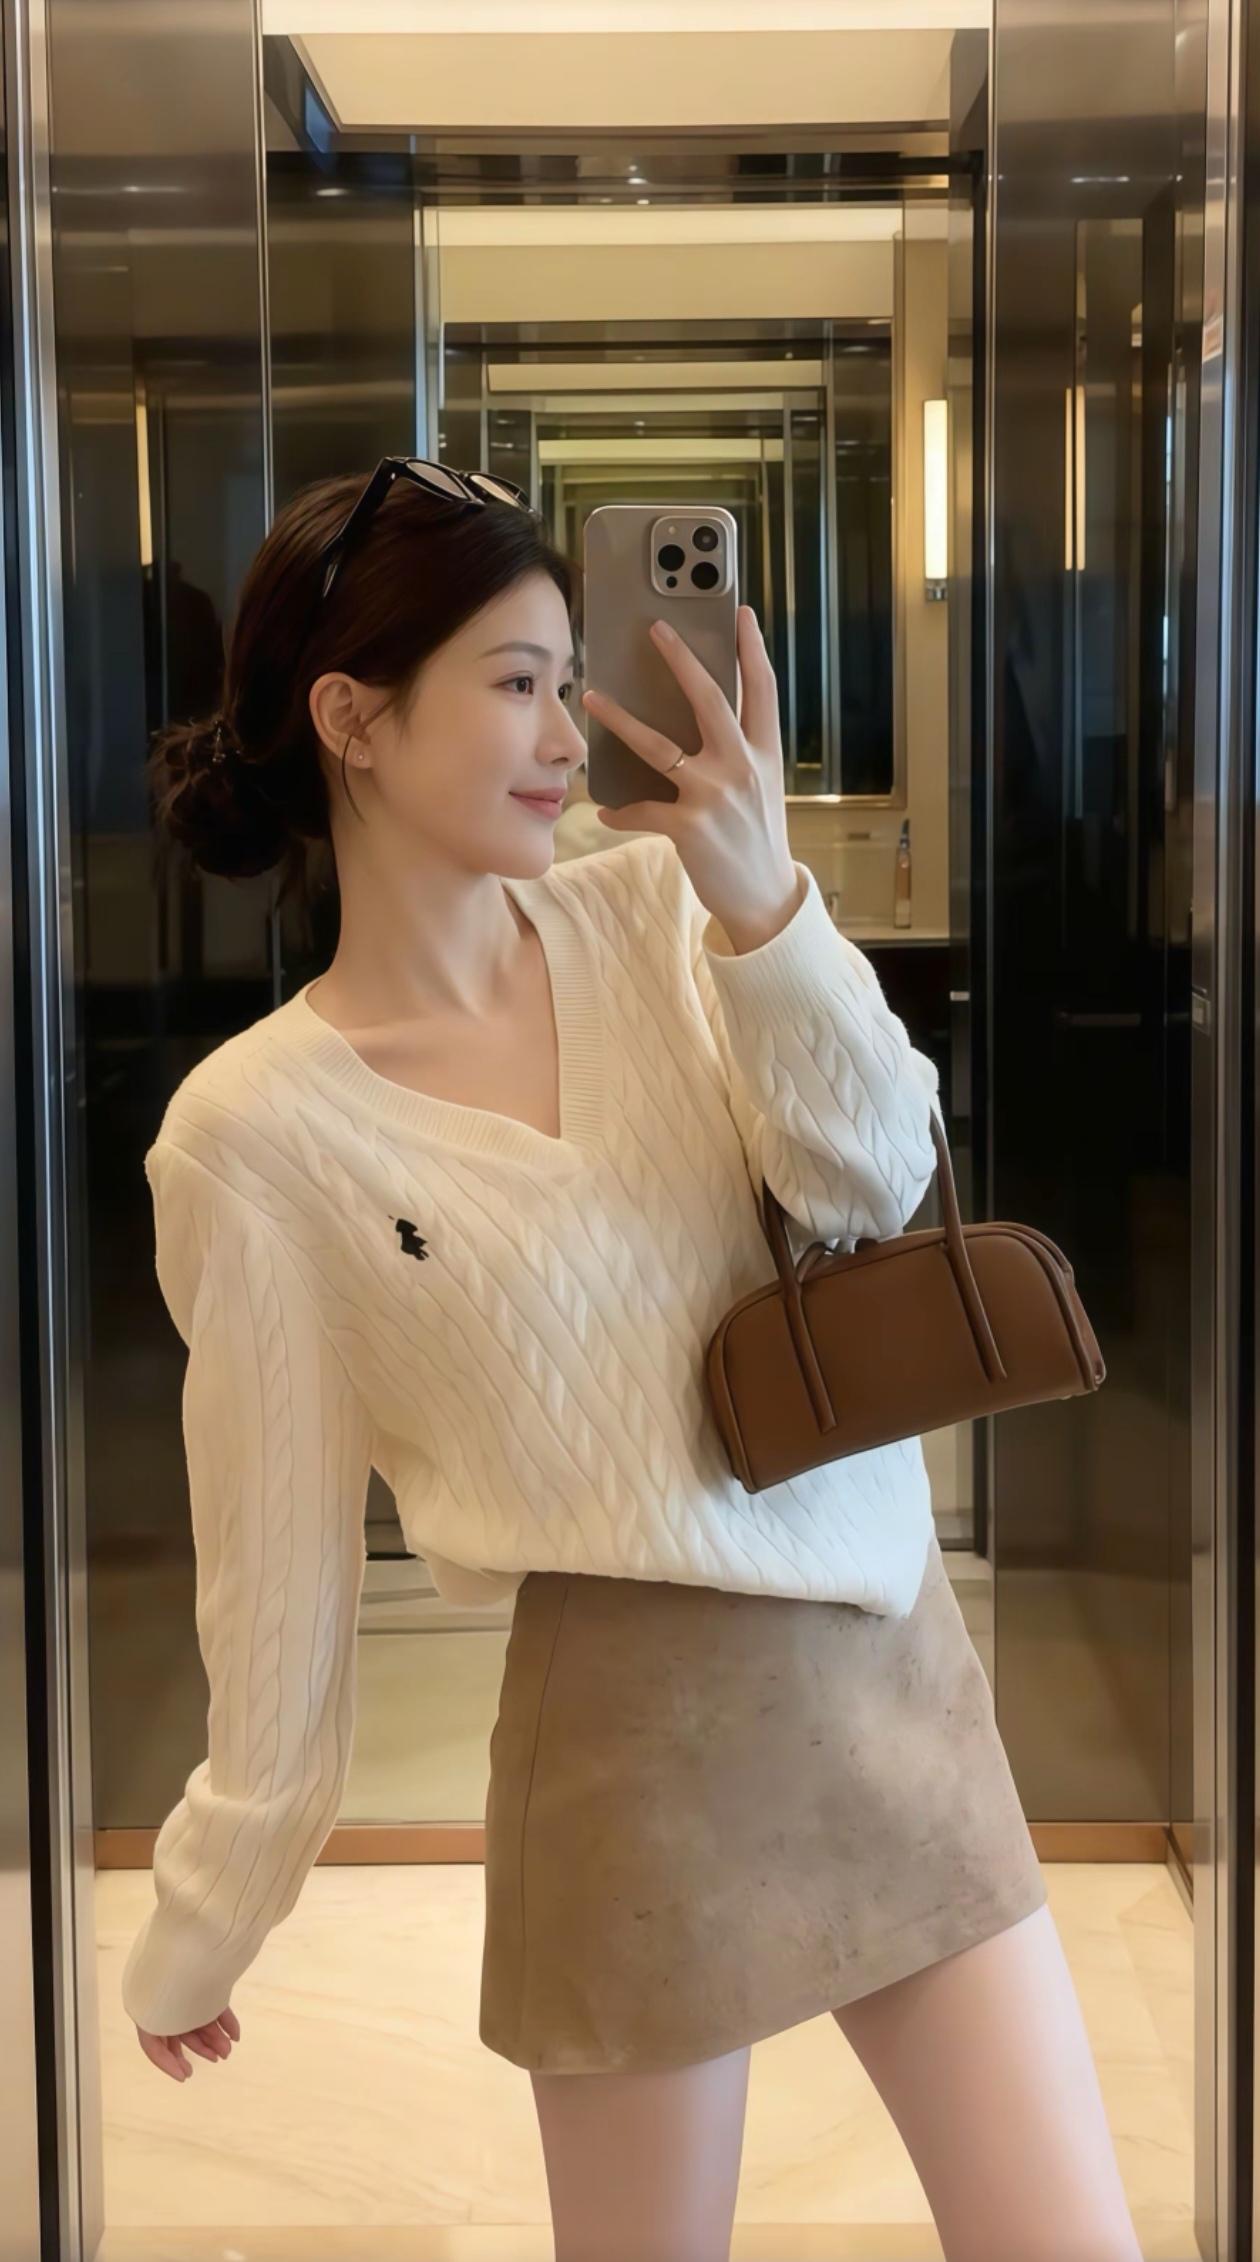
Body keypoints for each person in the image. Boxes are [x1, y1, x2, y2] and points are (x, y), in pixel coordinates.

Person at [126, 458, 1142, 2262]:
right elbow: (275, 1581)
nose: (563, 734)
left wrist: (764, 905)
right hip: (623, 1749)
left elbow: (875, 1177)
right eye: (516, 683)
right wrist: (213, 1908)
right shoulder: (255, 1135)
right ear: (352, 719)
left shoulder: (661, 910)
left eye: (564, 679)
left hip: (885, 1661)